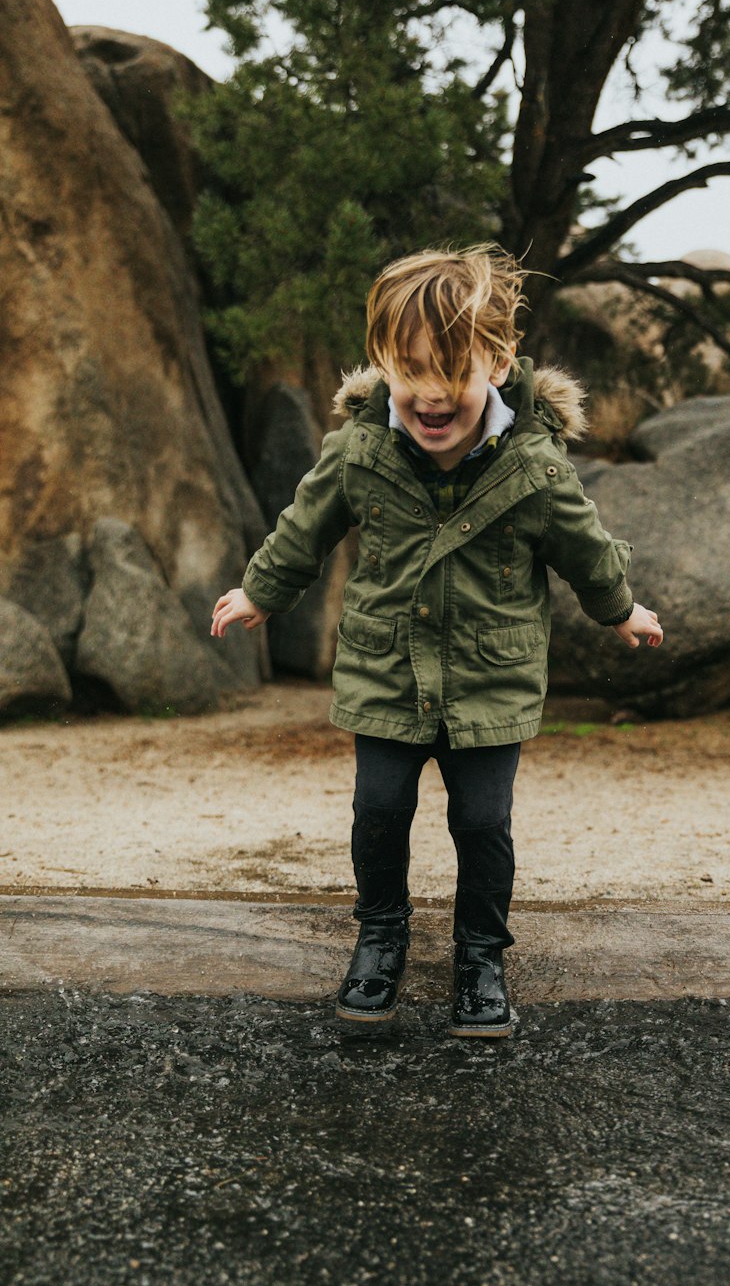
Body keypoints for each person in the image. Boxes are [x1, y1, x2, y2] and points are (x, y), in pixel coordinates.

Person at [211, 242, 662, 1038]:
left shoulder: (534, 467)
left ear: (499, 358)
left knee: (482, 822)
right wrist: (260, 590)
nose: (431, 391)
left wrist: (619, 609)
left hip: (491, 679)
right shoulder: (360, 449)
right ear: (384, 360)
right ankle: (380, 936)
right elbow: (304, 527)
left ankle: (480, 956)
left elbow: (585, 548)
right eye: (410, 367)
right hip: (387, 670)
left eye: (453, 370)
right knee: (379, 808)